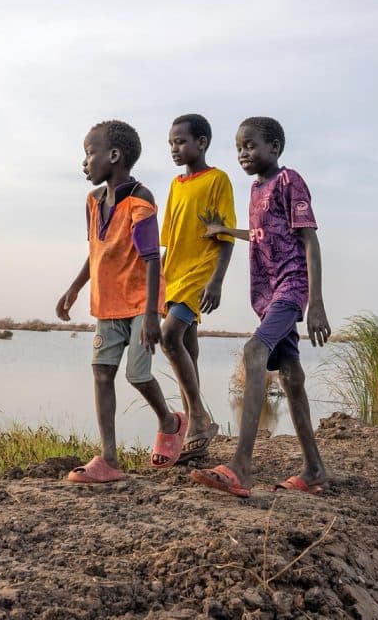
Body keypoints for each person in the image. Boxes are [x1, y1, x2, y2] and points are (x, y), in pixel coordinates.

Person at [191, 116, 331, 497]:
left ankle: (241, 466)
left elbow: (309, 240)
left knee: (254, 351)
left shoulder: (290, 181)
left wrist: (315, 302)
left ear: (275, 148)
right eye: (238, 148)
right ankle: (315, 469)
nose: (243, 153)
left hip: (290, 288)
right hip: (267, 297)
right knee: (290, 375)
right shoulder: (255, 191)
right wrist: (222, 231)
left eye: (250, 146)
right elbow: (260, 235)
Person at [56, 120, 187, 483]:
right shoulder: (93, 201)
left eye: (90, 153)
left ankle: (169, 420)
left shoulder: (140, 200)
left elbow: (151, 258)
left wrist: (150, 317)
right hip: (107, 304)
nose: (85, 162)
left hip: (140, 305)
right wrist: (75, 288)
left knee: (136, 373)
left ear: (114, 156)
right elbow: (96, 251)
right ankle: (109, 459)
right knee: (101, 373)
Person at [160, 113, 236, 461]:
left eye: (180, 141)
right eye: (171, 143)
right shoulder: (176, 185)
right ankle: (197, 425)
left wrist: (216, 280)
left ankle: (199, 418)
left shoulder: (218, 179)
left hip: (199, 271)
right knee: (187, 346)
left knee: (169, 335)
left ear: (201, 142)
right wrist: (160, 279)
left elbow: (225, 235)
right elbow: (169, 238)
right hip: (174, 273)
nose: (174, 149)